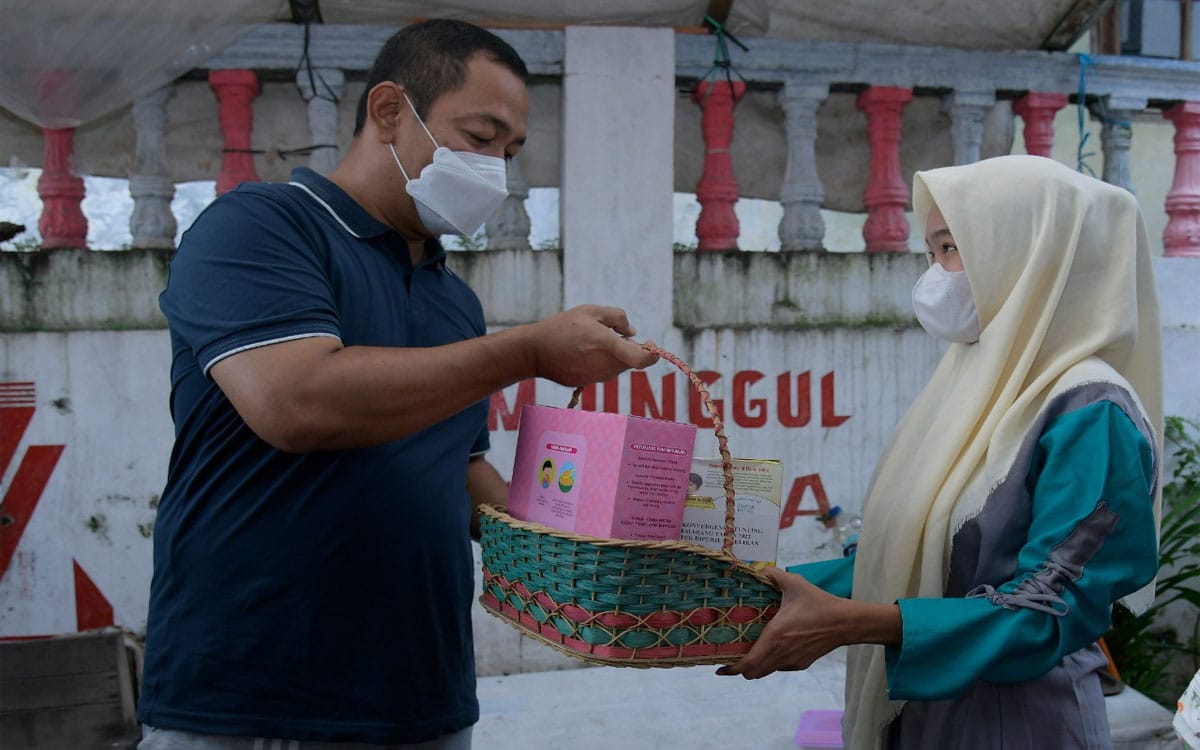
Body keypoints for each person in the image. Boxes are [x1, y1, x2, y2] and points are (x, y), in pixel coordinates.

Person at [137, 19, 657, 750]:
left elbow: (462, 469)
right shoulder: (261, 228)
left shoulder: (454, 300)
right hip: (253, 699)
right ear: (389, 112)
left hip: (422, 699)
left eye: (510, 152)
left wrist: (577, 542)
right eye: (481, 138)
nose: (497, 170)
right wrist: (527, 350)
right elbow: (297, 401)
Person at [719, 155, 1163, 750]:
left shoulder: (1089, 410)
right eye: (931, 253)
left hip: (1017, 725)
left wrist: (856, 625)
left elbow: (1051, 608)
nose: (936, 274)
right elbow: (903, 555)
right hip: (922, 713)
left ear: (1032, 252)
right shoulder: (974, 385)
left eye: (952, 247)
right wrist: (745, 588)